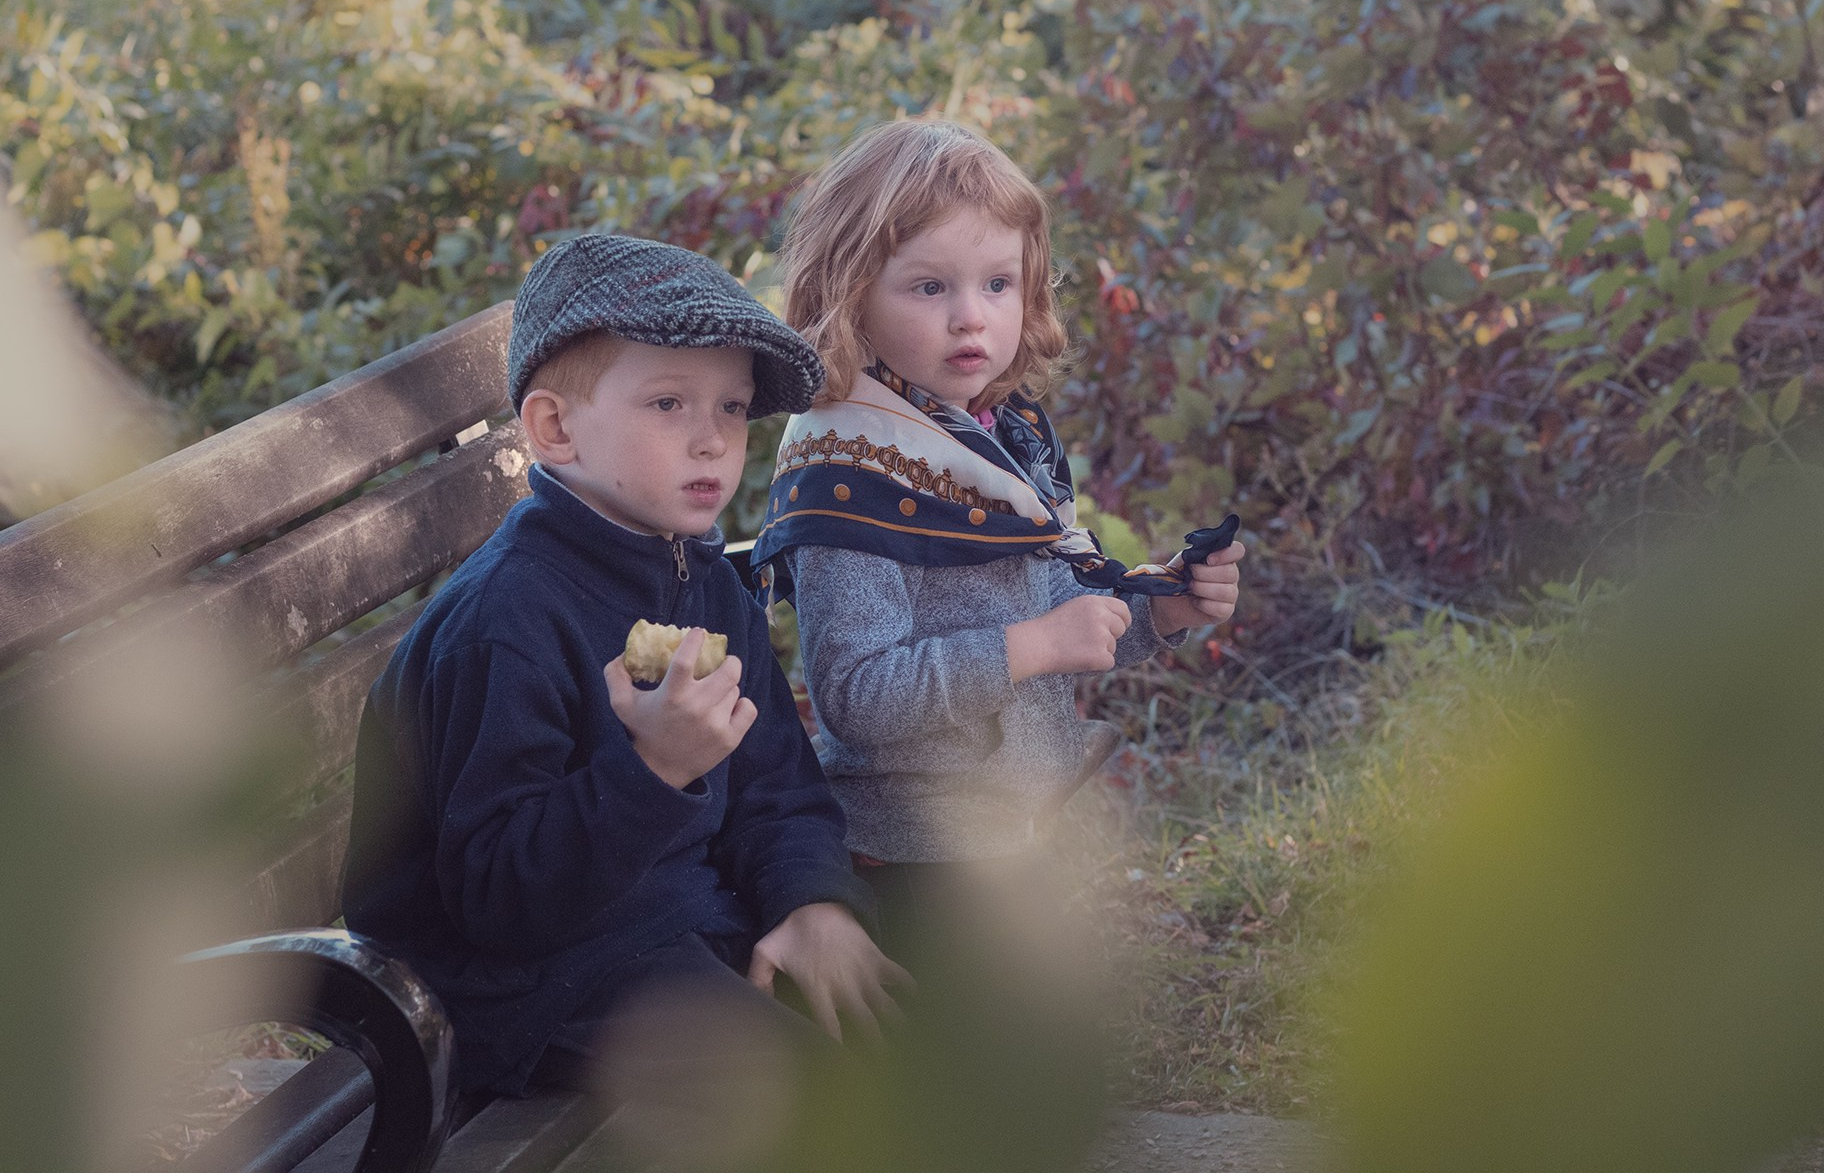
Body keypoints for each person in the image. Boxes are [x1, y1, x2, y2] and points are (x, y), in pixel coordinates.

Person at [341, 233, 908, 1100]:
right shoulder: (506, 625)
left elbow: (776, 787)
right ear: (555, 428)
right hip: (531, 986)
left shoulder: (707, 582)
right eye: (669, 404)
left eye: (731, 408)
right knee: (820, 1104)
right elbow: (499, 905)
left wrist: (811, 902)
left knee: (912, 1035)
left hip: (678, 920)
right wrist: (652, 771)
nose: (714, 441)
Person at [751, 119, 1245, 950]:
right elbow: (858, 696)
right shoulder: (851, 468)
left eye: (998, 284)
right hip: (921, 859)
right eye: (930, 287)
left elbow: (1056, 606)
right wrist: (1033, 646)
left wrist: (1160, 611)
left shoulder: (992, 432)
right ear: (850, 294)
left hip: (1007, 828)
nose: (970, 319)